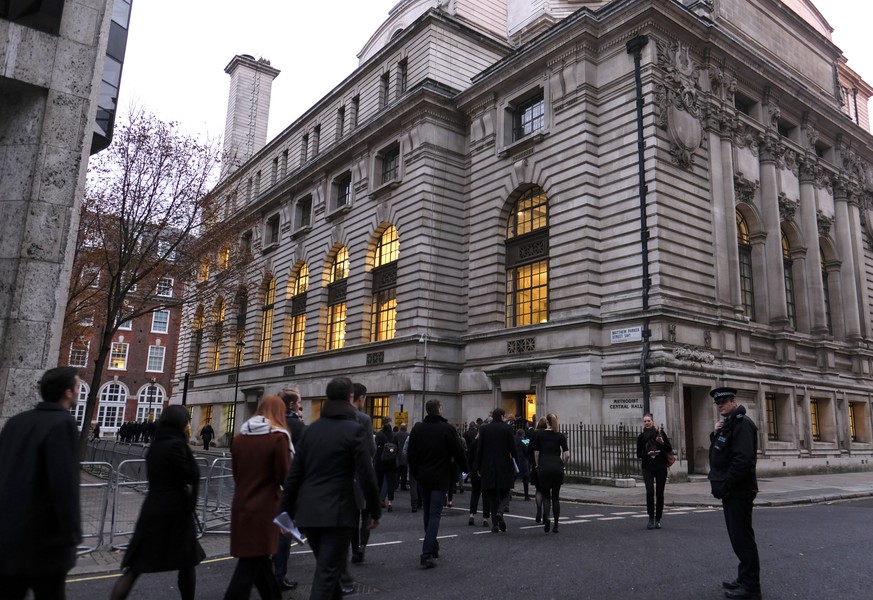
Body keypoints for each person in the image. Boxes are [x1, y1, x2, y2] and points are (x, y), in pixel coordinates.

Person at [282, 377, 381, 598]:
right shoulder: (354, 430)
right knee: (327, 574)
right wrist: (374, 512)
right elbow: (367, 474)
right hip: (338, 514)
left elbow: (294, 477)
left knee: (332, 572)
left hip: (309, 514)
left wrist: (285, 514)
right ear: (350, 398)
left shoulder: (310, 431)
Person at [0, 367, 81, 600]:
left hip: (7, 536)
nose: (78, 390)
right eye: (76, 386)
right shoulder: (62, 422)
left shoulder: (15, 422)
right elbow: (64, 485)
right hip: (43, 541)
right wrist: (71, 535)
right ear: (67, 393)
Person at [110, 406, 205, 600]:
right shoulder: (177, 445)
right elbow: (191, 475)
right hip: (175, 511)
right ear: (181, 423)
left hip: (153, 507)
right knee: (186, 564)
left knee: (135, 568)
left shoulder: (156, 443)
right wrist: (189, 453)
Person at [223, 395, 292, 600]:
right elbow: (283, 476)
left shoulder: (238, 439)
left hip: (241, 503)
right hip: (265, 507)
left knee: (259, 561)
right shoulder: (278, 438)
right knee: (250, 563)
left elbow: (237, 474)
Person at [708, 387, 761, 600]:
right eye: (717, 403)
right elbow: (721, 451)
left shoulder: (742, 424)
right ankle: (744, 579)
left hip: (739, 490)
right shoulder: (730, 424)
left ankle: (751, 588)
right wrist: (716, 432)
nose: (720, 405)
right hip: (732, 491)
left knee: (743, 539)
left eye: (723, 402)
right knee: (738, 538)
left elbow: (743, 460)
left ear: (733, 401)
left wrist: (727, 485)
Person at [406, 399, 468, 568]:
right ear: (439, 410)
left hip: (423, 477)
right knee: (434, 515)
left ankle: (432, 546)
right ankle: (426, 553)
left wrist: (416, 472)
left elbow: (411, 455)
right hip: (441, 477)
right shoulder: (447, 429)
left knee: (428, 513)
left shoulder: (418, 429)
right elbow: (459, 452)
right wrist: (466, 469)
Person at [273, 387, 306, 591]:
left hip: (269, 485)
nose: (301, 405)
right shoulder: (296, 426)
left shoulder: (272, 422)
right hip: (289, 484)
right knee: (286, 529)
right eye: (299, 401)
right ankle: (279, 574)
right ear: (293, 404)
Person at [474, 407, 517, 533]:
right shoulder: (507, 428)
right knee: (505, 493)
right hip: (504, 465)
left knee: (492, 496)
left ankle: (495, 525)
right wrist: (516, 462)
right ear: (503, 416)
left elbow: (480, 449)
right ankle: (500, 512)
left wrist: (477, 466)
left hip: (488, 466)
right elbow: (513, 448)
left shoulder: (484, 429)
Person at [349, 382, 376, 566]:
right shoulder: (364, 419)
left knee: (351, 515)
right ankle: (362, 548)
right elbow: (371, 450)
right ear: (362, 397)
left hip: (345, 474)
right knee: (365, 514)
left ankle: (354, 548)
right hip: (362, 473)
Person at [532, 413, 569, 533]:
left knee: (546, 495)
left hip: (544, 466)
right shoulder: (560, 435)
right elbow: (567, 454)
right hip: (557, 466)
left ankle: (547, 517)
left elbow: (536, 453)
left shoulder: (538, 434)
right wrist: (563, 465)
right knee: (556, 497)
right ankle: (556, 525)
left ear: (546, 422)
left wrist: (537, 465)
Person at [636, 413, 672, 530]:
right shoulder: (641, 437)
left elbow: (669, 448)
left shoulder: (660, 433)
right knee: (650, 491)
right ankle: (651, 518)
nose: (647, 423)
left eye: (648, 421)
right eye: (645, 421)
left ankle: (658, 519)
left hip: (661, 466)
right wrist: (647, 454)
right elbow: (638, 454)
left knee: (660, 493)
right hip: (647, 467)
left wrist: (662, 442)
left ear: (652, 421)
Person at [375, 423, 399, 511]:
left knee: (379, 482)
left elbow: (375, 448)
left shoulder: (379, 435)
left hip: (380, 462)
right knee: (390, 483)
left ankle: (379, 500)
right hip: (391, 463)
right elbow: (397, 449)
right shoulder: (394, 436)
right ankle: (390, 502)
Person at [530, 417, 547, 523]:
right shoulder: (550, 434)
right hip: (548, 464)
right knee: (547, 490)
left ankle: (539, 510)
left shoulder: (535, 434)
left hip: (537, 465)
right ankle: (546, 514)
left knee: (539, 489)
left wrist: (533, 463)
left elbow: (530, 450)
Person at [514, 429, 531, 501]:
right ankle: (526, 496)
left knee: (513, 479)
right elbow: (528, 452)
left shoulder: (513, 441)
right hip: (523, 462)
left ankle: (508, 494)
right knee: (525, 480)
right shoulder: (525, 441)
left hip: (515, 462)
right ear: (523, 434)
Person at [394, 423, 410, 491]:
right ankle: (403, 486)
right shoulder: (408, 435)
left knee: (397, 472)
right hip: (405, 456)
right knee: (404, 472)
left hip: (397, 455)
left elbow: (394, 444)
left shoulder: (396, 434)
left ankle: (395, 485)